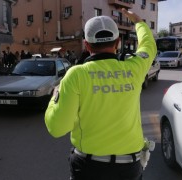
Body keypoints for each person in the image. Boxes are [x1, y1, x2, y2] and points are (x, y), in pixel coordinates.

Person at [44, 9, 156, 180]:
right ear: (117, 42)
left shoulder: (76, 75)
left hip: (89, 168)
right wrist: (138, 21)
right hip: (129, 168)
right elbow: (148, 46)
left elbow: (57, 128)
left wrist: (54, 98)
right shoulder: (134, 68)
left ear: (87, 45)